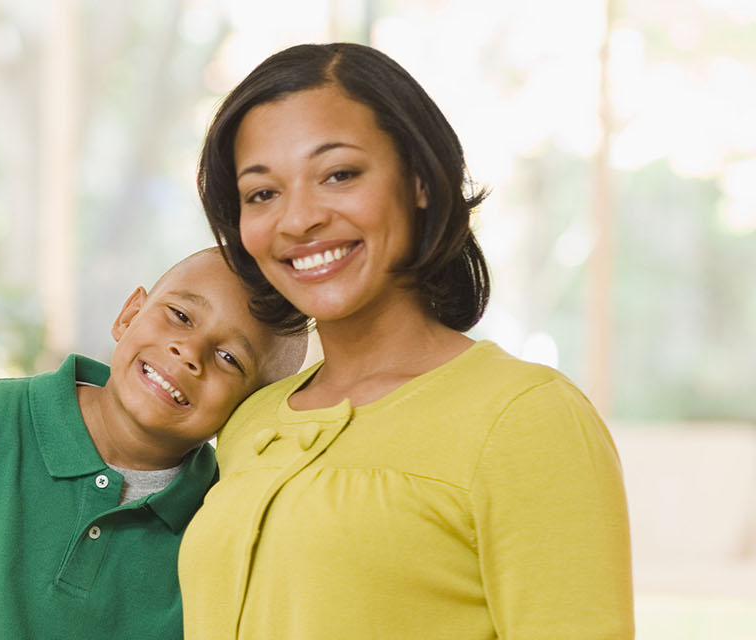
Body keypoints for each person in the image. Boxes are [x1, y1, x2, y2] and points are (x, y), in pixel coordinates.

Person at [179, 43, 632, 638]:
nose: (298, 220)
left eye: (338, 174)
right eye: (263, 193)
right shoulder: (250, 422)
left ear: (419, 179)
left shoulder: (526, 417)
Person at [0, 248, 309, 640]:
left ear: (251, 409)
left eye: (229, 358)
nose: (189, 352)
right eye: (181, 316)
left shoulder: (226, 515)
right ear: (129, 314)